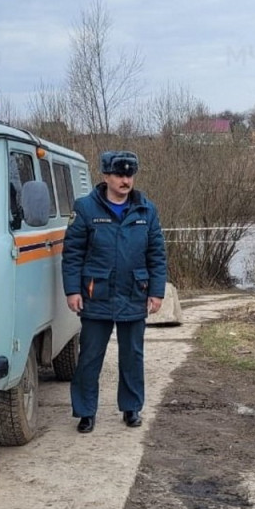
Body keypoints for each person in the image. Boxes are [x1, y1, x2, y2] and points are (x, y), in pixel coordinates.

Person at [62, 150, 167, 434]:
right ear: (106, 176)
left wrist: (156, 292)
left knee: (132, 355)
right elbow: (72, 254)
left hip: (135, 292)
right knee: (90, 357)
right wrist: (72, 290)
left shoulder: (147, 210)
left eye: (129, 175)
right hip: (97, 294)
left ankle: (131, 408)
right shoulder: (85, 209)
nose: (125, 180)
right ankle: (85, 412)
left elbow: (157, 255)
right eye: (119, 175)